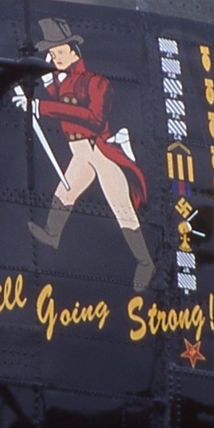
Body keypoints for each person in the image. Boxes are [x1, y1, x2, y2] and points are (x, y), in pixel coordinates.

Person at [16, 17, 154, 291]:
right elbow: (55, 95)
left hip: (99, 151)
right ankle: (53, 233)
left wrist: (42, 107)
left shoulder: (97, 83)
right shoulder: (58, 82)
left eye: (57, 52)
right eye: (50, 53)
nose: (52, 57)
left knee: (120, 205)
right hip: (79, 152)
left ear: (72, 51)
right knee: (65, 191)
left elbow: (92, 118)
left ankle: (145, 261)